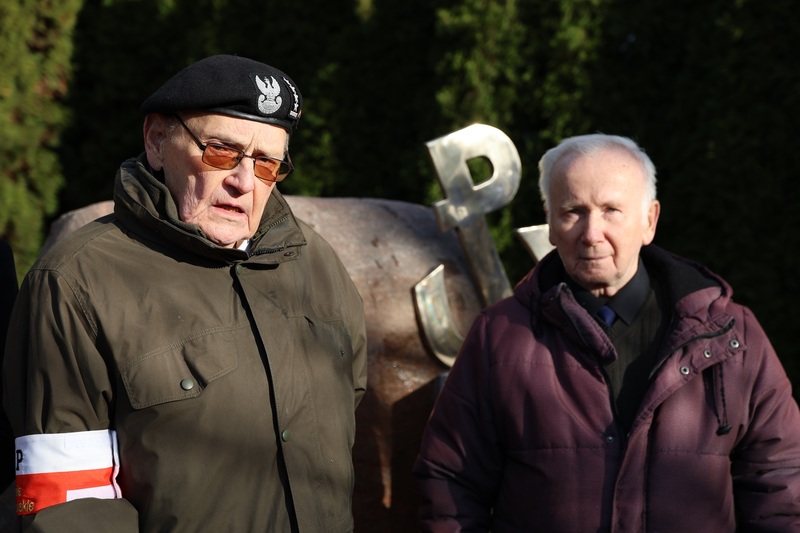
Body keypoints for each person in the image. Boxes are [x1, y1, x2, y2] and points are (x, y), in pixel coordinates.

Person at [2, 54, 367, 532]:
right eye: (221, 151)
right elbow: (68, 503)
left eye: (267, 164)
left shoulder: (315, 262)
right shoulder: (75, 282)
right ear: (157, 141)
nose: (243, 183)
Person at [413, 133, 800, 531]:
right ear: (549, 222)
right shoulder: (498, 337)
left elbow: (781, 485)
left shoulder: (732, 336)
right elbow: (451, 487)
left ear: (649, 220)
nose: (592, 233)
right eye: (572, 211)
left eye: (611, 210)